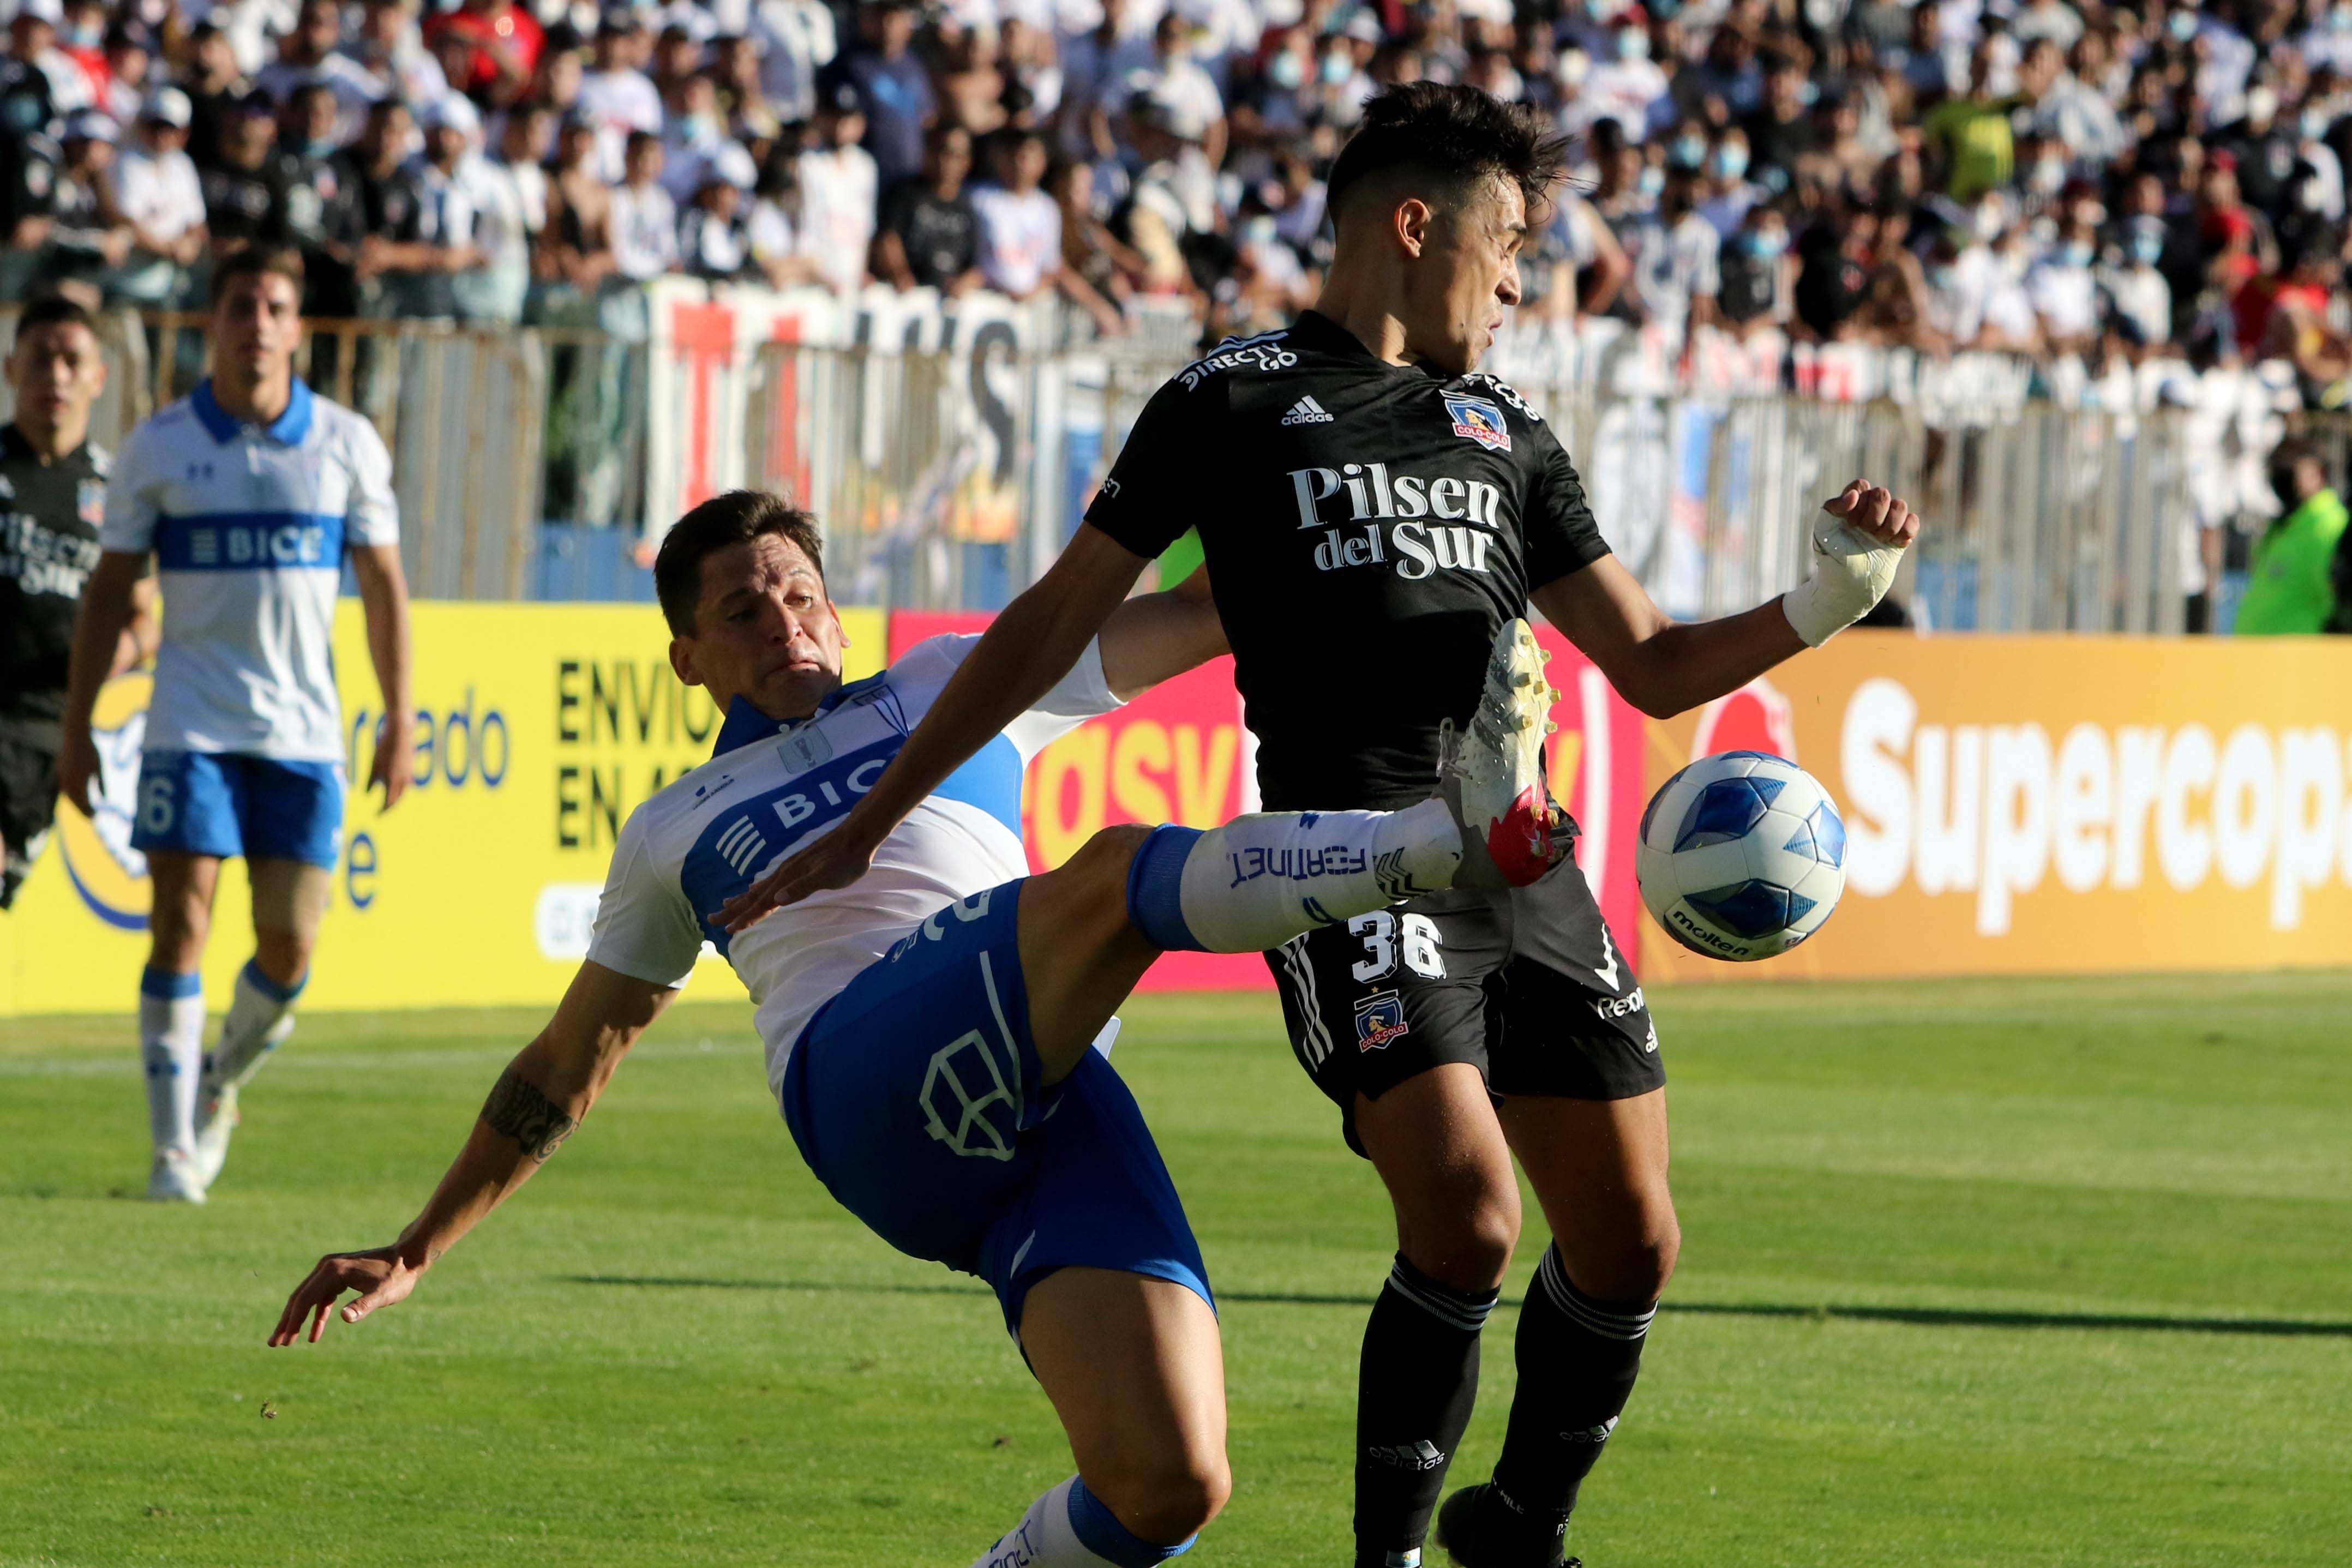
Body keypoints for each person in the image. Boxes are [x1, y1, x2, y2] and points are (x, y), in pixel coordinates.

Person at [722, 82, 1919, 1568]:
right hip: (1348, 857)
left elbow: (1658, 664)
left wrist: (1830, 600)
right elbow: (1043, 629)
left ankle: (1519, 1525)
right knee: (1472, 1215)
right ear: (1415, 227)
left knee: (1632, 1241)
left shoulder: (1513, 435)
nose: (1523, 277)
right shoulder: (1226, 400)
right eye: (1511, 240)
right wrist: (876, 815)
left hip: (1524, 861)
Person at [264, 488, 1570, 1568]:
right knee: (1111, 876)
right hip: (869, 1086)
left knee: (1168, 1480)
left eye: (796, 589)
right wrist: (419, 1243)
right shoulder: (675, 827)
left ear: (836, 606)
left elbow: (1210, 613)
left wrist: (1298, 487)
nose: (778, 615)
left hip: (1044, 1105)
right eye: (739, 606)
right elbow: (568, 1063)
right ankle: (1445, 838)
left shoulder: (955, 683)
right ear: (688, 658)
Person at [57, 246, 413, 1205]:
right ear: (214, 322)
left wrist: (401, 717)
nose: (257, 321)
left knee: (289, 951)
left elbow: (382, 587)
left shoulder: (344, 444)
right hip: (189, 725)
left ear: (298, 327)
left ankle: (216, 1082)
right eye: (241, 305)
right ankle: (174, 1151)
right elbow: (109, 594)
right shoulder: (159, 447)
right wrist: (79, 722)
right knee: (180, 925)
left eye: (275, 306)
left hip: (303, 735)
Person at [0, 296, 157, 910]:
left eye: (72, 361)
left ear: (99, 377)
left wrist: (117, 650)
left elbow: (145, 620)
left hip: (49, 729)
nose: (56, 376)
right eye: (41, 360)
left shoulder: (116, 492)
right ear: (12, 369)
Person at [2236, 436, 2348, 635]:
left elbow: (2339, 600)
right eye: (2276, 470)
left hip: (2299, 658)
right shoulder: (2284, 526)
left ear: (2319, 473)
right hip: (2259, 658)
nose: (2282, 479)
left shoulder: (2329, 526)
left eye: (2291, 471)